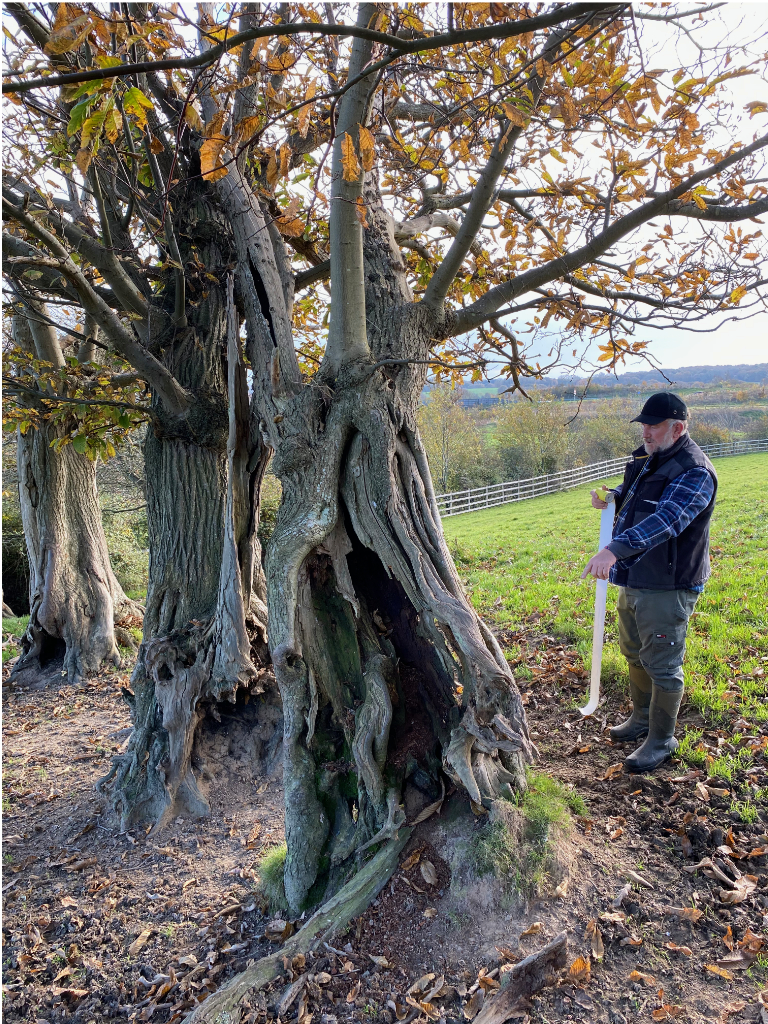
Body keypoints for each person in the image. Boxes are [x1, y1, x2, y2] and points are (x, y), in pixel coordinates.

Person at [581, 392, 717, 772]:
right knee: (634, 650)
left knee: (663, 664)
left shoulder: (694, 471)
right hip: (637, 576)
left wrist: (614, 550)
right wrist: (615, 497)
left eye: (653, 425)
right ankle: (640, 719)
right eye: (643, 424)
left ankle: (661, 738)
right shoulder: (651, 457)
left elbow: (669, 519)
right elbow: (643, 496)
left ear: (678, 427)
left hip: (669, 584)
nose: (646, 431)